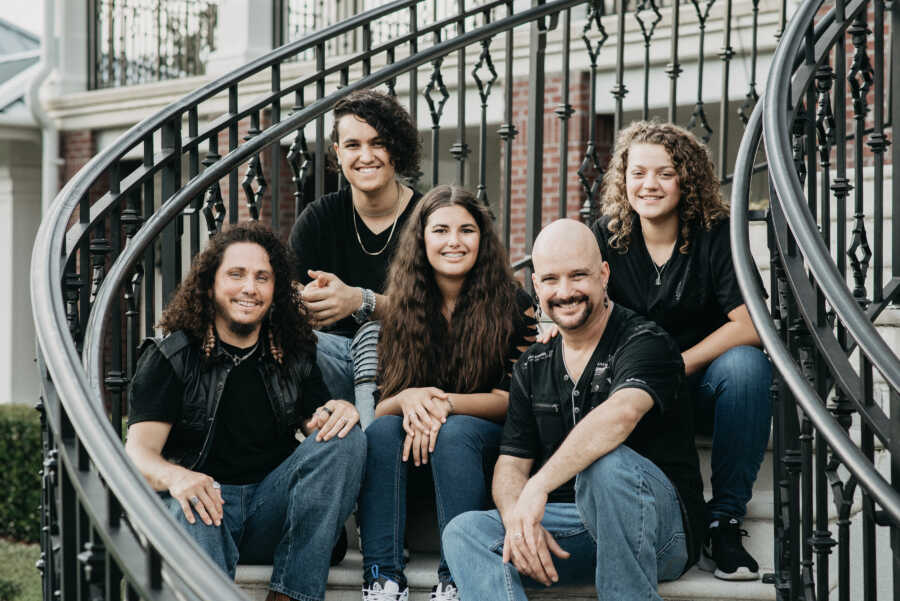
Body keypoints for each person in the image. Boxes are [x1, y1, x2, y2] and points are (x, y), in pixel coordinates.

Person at [442, 219, 705, 601]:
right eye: (550, 279)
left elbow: (621, 415)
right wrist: (518, 519)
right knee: (465, 532)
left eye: (578, 276)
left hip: (659, 531)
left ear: (603, 275)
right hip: (573, 531)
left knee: (605, 465)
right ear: (535, 286)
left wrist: (539, 486)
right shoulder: (533, 365)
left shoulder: (645, 341)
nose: (564, 292)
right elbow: (512, 464)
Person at [125, 223, 366, 601]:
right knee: (197, 506)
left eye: (262, 277)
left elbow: (316, 422)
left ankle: (292, 594)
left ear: (275, 289)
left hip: (270, 510)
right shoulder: (171, 356)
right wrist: (177, 477)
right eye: (236, 275)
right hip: (206, 510)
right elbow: (138, 454)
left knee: (346, 436)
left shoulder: (291, 350)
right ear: (209, 284)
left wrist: (336, 412)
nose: (250, 288)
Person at [592, 121, 771, 580]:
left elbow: (749, 325)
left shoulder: (714, 233)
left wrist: (677, 364)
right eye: (638, 173)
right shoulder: (605, 236)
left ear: (686, 179)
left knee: (747, 368)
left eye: (665, 173)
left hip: (706, 386)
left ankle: (724, 519)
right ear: (623, 179)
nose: (649, 185)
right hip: (637, 387)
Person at [357, 186, 537, 601]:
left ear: (482, 239)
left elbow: (515, 398)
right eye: (440, 230)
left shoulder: (514, 303)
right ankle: (382, 578)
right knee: (382, 432)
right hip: (415, 456)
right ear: (421, 240)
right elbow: (383, 404)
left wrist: (441, 403)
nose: (454, 241)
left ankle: (455, 577)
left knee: (454, 433)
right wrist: (408, 399)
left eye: (466, 230)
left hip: (483, 451)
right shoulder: (402, 307)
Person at [289, 89, 423, 428]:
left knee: (373, 334)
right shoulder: (319, 219)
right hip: (332, 362)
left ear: (396, 148)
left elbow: (442, 315)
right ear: (338, 152)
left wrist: (360, 301)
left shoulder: (429, 218)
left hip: (411, 361)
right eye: (353, 145)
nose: (366, 156)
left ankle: (367, 432)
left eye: (378, 143)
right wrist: (307, 303)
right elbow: (288, 298)